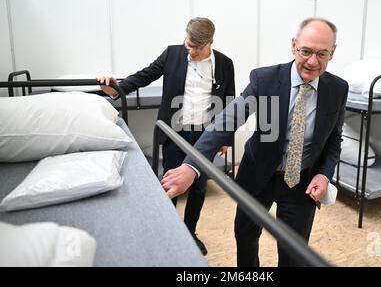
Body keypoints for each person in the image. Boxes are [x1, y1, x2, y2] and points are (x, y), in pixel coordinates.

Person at [161, 17, 348, 266]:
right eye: (306, 51)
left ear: (332, 53)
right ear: (294, 45)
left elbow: (334, 139)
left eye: (322, 54)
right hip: (257, 174)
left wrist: (324, 174)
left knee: (294, 252)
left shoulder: (338, 89)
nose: (313, 61)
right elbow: (226, 121)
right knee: (246, 236)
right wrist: (192, 166)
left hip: (301, 182)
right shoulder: (266, 79)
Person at [97, 17, 235, 256]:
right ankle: (168, 232)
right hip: (175, 131)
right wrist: (114, 89)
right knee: (171, 184)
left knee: (199, 188)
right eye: (187, 43)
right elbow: (144, 75)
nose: (188, 49)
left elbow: (229, 101)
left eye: (194, 47)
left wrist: (225, 137)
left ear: (209, 42)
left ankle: (190, 233)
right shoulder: (173, 54)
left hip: (206, 136)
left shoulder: (224, 63)